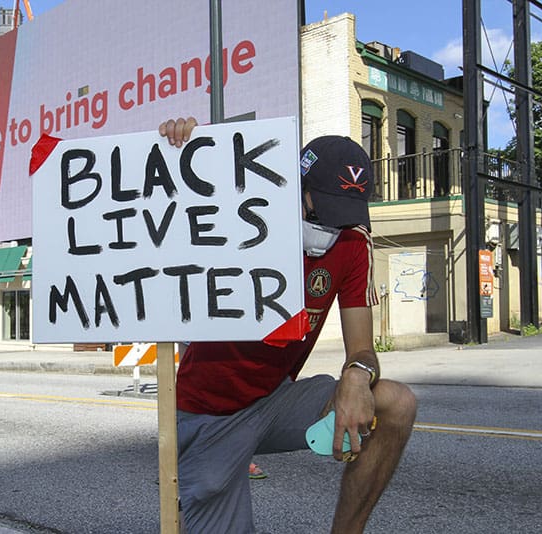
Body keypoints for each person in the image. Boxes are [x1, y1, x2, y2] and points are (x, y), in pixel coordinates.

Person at [159, 117, 417, 534]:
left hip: (273, 400)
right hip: (206, 412)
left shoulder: (353, 242)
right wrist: (180, 147)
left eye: (347, 213)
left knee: (396, 402)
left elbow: (363, 349)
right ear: (296, 188)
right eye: (325, 208)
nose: (334, 226)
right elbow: (175, 207)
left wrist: (358, 372)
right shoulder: (239, 218)